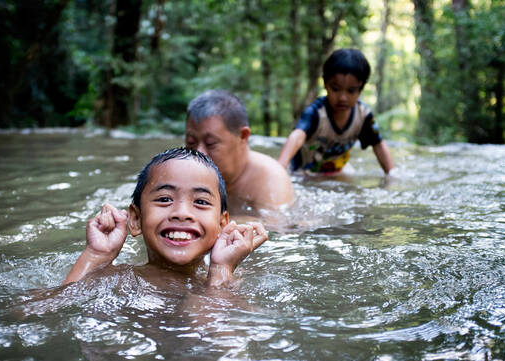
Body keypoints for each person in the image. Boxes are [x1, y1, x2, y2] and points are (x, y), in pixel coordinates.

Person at [63, 147, 268, 287]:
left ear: (222, 224)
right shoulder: (119, 279)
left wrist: (221, 269)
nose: (181, 213)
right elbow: (47, 309)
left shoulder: (233, 280)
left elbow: (223, 342)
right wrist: (97, 255)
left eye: (201, 202)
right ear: (135, 219)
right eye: (164, 199)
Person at [277, 48, 394, 176]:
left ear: (361, 89)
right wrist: (279, 170)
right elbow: (297, 136)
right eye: (335, 89)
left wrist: (391, 174)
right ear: (326, 84)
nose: (343, 97)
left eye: (351, 91)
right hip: (303, 172)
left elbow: (378, 145)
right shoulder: (316, 113)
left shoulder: (363, 116)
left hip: (338, 171)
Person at [185, 90, 294, 216]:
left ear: (243, 136)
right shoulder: (181, 168)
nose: (199, 153)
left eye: (210, 143)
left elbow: (274, 227)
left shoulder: (270, 180)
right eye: (191, 142)